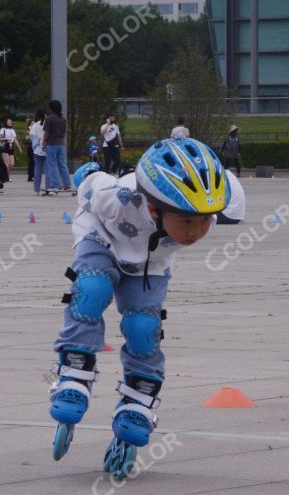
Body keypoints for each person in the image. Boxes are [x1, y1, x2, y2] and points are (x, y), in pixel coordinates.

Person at [47, 138, 231, 480]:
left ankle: (137, 402)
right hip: (101, 235)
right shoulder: (117, 198)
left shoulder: (211, 205)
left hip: (151, 259)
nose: (195, 232)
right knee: (91, 289)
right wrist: (87, 171)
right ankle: (74, 368)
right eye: (187, 222)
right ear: (152, 208)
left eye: (203, 222)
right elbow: (87, 180)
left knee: (144, 329)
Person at [43, 100, 71, 190]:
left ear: (52, 108)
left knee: (52, 165)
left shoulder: (49, 118)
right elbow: (64, 132)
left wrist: (43, 142)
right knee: (62, 164)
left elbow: (47, 132)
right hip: (60, 144)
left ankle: (56, 185)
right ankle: (67, 185)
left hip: (51, 143)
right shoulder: (63, 119)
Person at [30, 110, 49, 195]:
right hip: (47, 149)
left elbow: (32, 137)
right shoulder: (48, 124)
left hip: (37, 150)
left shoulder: (35, 125)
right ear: (45, 115)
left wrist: (35, 147)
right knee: (48, 170)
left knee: (37, 170)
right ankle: (48, 188)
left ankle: (36, 190)